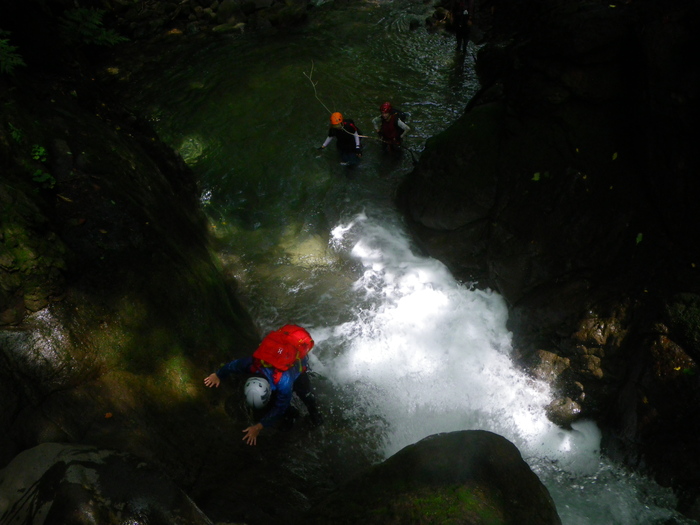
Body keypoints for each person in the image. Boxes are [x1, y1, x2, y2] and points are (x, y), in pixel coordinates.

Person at [204, 324, 323, 446]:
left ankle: (315, 416)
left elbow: (282, 404)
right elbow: (234, 365)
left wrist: (259, 426)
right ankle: (292, 414)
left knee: (306, 396)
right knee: (274, 402)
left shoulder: (284, 381)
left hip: (296, 366)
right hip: (278, 363)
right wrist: (218, 375)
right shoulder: (253, 364)